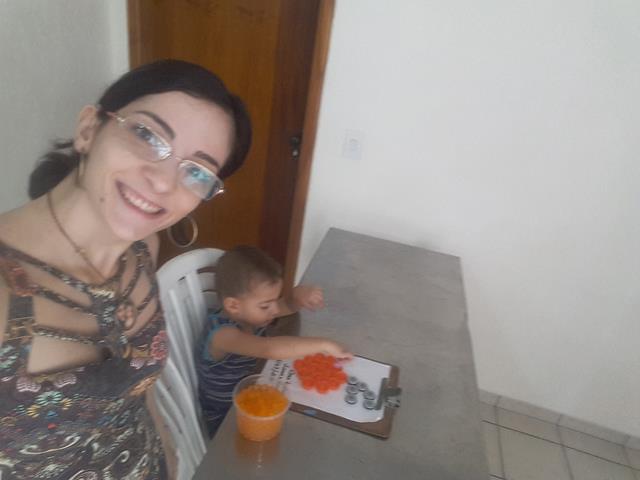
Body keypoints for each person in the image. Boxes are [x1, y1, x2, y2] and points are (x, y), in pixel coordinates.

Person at [0, 59, 251, 479]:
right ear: (89, 129)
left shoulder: (142, 250)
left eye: (197, 171)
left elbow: (135, 389)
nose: (163, 182)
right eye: (147, 135)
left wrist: (167, 451)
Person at [196, 245, 351, 437]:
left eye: (274, 301)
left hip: (254, 389)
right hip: (226, 417)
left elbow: (287, 305)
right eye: (265, 306)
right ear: (233, 305)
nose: (275, 310)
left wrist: (297, 297)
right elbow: (269, 349)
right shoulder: (223, 335)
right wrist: (324, 345)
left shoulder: (251, 313)